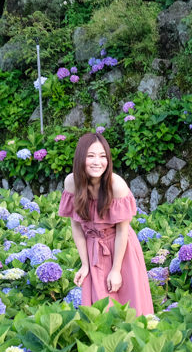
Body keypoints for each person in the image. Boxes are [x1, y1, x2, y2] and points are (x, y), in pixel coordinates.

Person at [58, 132, 154, 316]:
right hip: (93, 248)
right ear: (80, 158)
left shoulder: (116, 185)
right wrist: (84, 264)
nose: (97, 162)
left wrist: (116, 270)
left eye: (103, 156)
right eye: (91, 156)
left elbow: (122, 231)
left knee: (130, 305)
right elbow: (76, 227)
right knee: (99, 309)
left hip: (121, 249)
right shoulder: (71, 183)